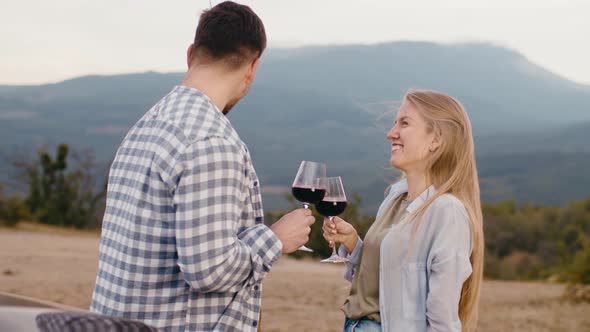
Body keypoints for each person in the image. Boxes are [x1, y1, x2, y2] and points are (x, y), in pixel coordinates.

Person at [90, 2, 315, 331]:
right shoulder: (212, 142)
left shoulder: (148, 124)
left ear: (191, 53)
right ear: (252, 68)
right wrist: (276, 238)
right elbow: (209, 271)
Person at [323, 89, 484, 332]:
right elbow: (388, 276)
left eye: (404, 123)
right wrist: (354, 244)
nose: (391, 134)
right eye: (394, 123)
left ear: (436, 139)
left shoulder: (447, 212)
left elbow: (442, 316)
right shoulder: (395, 197)